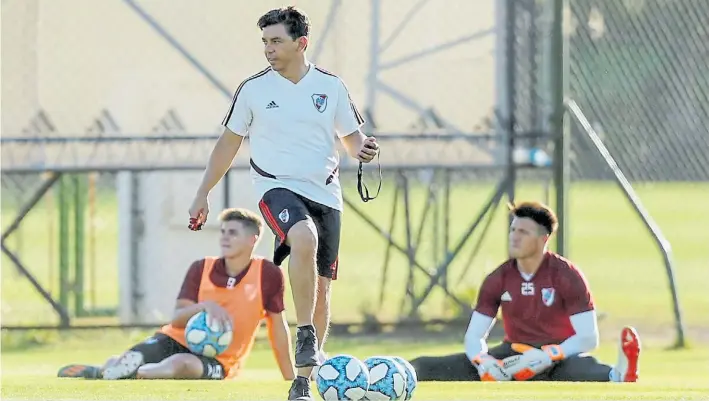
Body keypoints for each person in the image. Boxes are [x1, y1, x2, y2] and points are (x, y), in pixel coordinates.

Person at [187, 6, 379, 400]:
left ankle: (303, 382)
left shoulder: (331, 86)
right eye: (265, 42)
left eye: (276, 41)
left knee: (323, 289)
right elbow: (228, 144)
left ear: (300, 43)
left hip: (326, 193)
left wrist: (364, 149)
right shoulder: (254, 90)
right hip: (275, 188)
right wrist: (202, 191)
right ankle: (305, 333)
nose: (268, 50)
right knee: (302, 237)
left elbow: (352, 137)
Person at [409, 201, 641, 383]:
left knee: (587, 370)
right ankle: (380, 372)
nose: (514, 237)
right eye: (513, 230)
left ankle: (622, 373)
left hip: (558, 358)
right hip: (512, 356)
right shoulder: (498, 278)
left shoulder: (566, 275)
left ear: (544, 239)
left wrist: (549, 355)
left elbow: (589, 337)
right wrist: (484, 362)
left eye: (523, 232)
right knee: (425, 366)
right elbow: (474, 336)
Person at [57, 208, 295, 381]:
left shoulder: (268, 274)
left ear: (252, 239)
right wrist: (205, 306)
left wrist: (291, 378)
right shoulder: (201, 267)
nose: (224, 237)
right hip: (175, 339)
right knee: (135, 356)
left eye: (232, 233)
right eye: (222, 232)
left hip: (220, 360)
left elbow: (277, 327)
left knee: (181, 365)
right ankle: (113, 368)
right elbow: (178, 318)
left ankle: (133, 372)